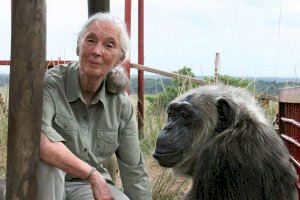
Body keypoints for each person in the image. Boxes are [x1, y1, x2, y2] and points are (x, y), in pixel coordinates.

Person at [37, 12, 152, 200]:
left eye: (109, 45)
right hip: (45, 184)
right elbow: (40, 141)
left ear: (118, 58)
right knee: (49, 164)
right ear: (78, 47)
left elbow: (134, 171)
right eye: (90, 40)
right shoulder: (51, 84)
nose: (97, 51)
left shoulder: (121, 105)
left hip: (85, 188)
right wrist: (92, 174)